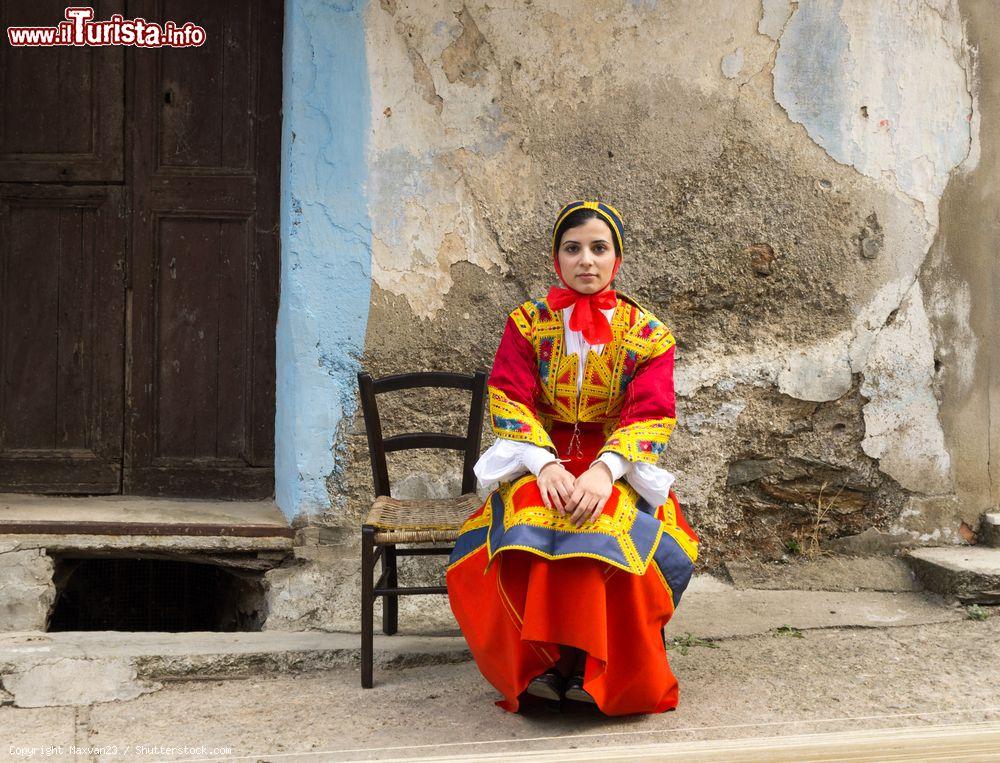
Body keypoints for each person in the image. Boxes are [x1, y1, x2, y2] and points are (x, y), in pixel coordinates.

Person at [446, 200, 699, 716]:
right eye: (574, 248)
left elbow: (652, 413)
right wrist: (545, 467)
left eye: (599, 248)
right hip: (541, 455)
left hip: (617, 464)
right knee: (533, 515)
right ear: (556, 259)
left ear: (616, 259)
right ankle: (542, 663)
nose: (587, 260)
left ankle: (591, 665)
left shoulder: (650, 334)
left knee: (606, 521)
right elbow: (510, 399)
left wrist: (606, 472)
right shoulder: (527, 324)